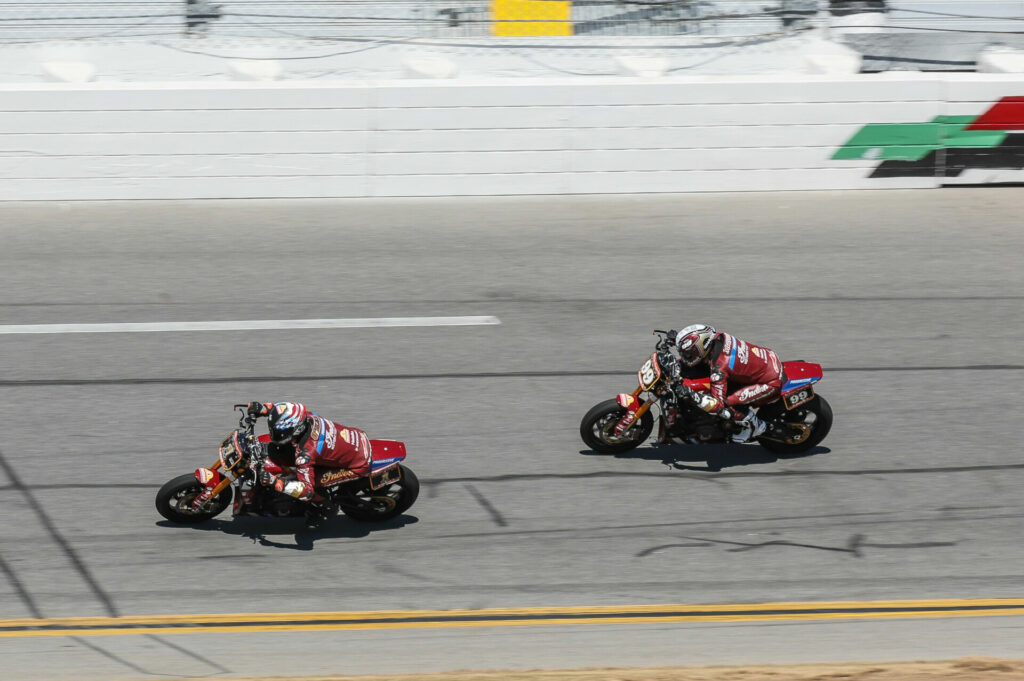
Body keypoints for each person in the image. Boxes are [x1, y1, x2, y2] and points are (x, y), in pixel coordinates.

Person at [246, 401, 372, 528]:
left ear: (295, 430)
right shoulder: (308, 417)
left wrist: (276, 483)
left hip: (358, 465)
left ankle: (325, 509)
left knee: (314, 484)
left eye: (280, 432)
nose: (275, 434)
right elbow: (283, 411)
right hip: (356, 438)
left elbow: (307, 492)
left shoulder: (306, 455)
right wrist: (264, 410)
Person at [674, 324, 785, 443]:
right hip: (767, 360)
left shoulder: (719, 369)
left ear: (702, 347)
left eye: (689, 353)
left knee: (726, 407)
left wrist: (692, 395)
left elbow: (718, 405)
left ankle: (756, 426)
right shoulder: (718, 337)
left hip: (769, 382)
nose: (686, 357)